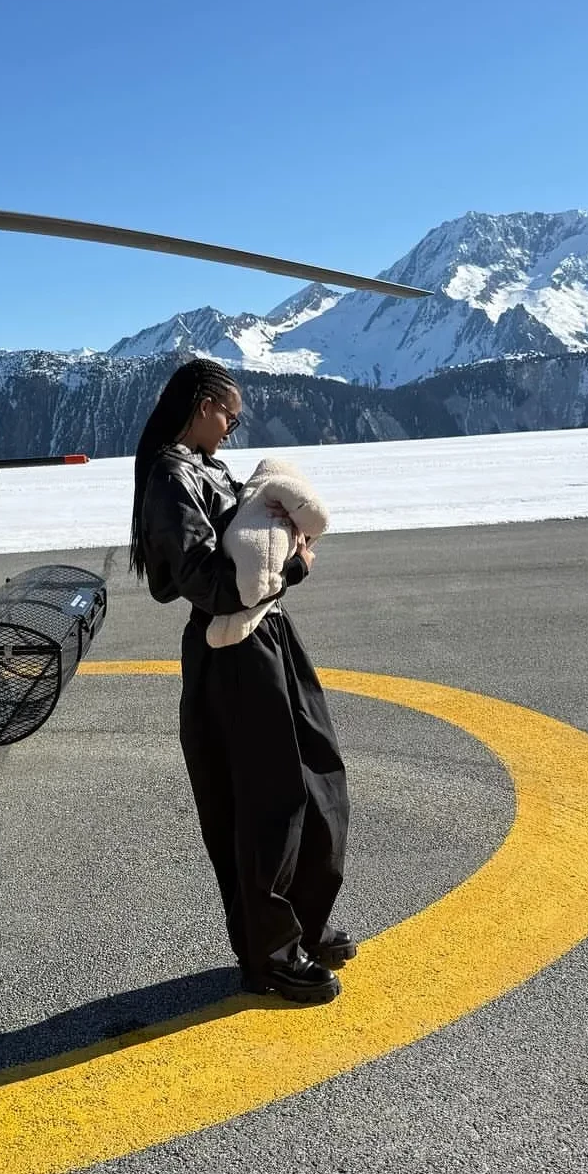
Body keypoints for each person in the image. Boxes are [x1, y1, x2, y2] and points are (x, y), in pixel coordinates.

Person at [130, 358, 354, 1006]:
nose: (232, 425)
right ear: (201, 404)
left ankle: (301, 923)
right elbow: (210, 583)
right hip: (230, 653)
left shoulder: (202, 467)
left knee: (317, 779)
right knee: (266, 802)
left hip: (267, 636)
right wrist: (294, 567)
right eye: (229, 413)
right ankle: (271, 954)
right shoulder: (171, 478)